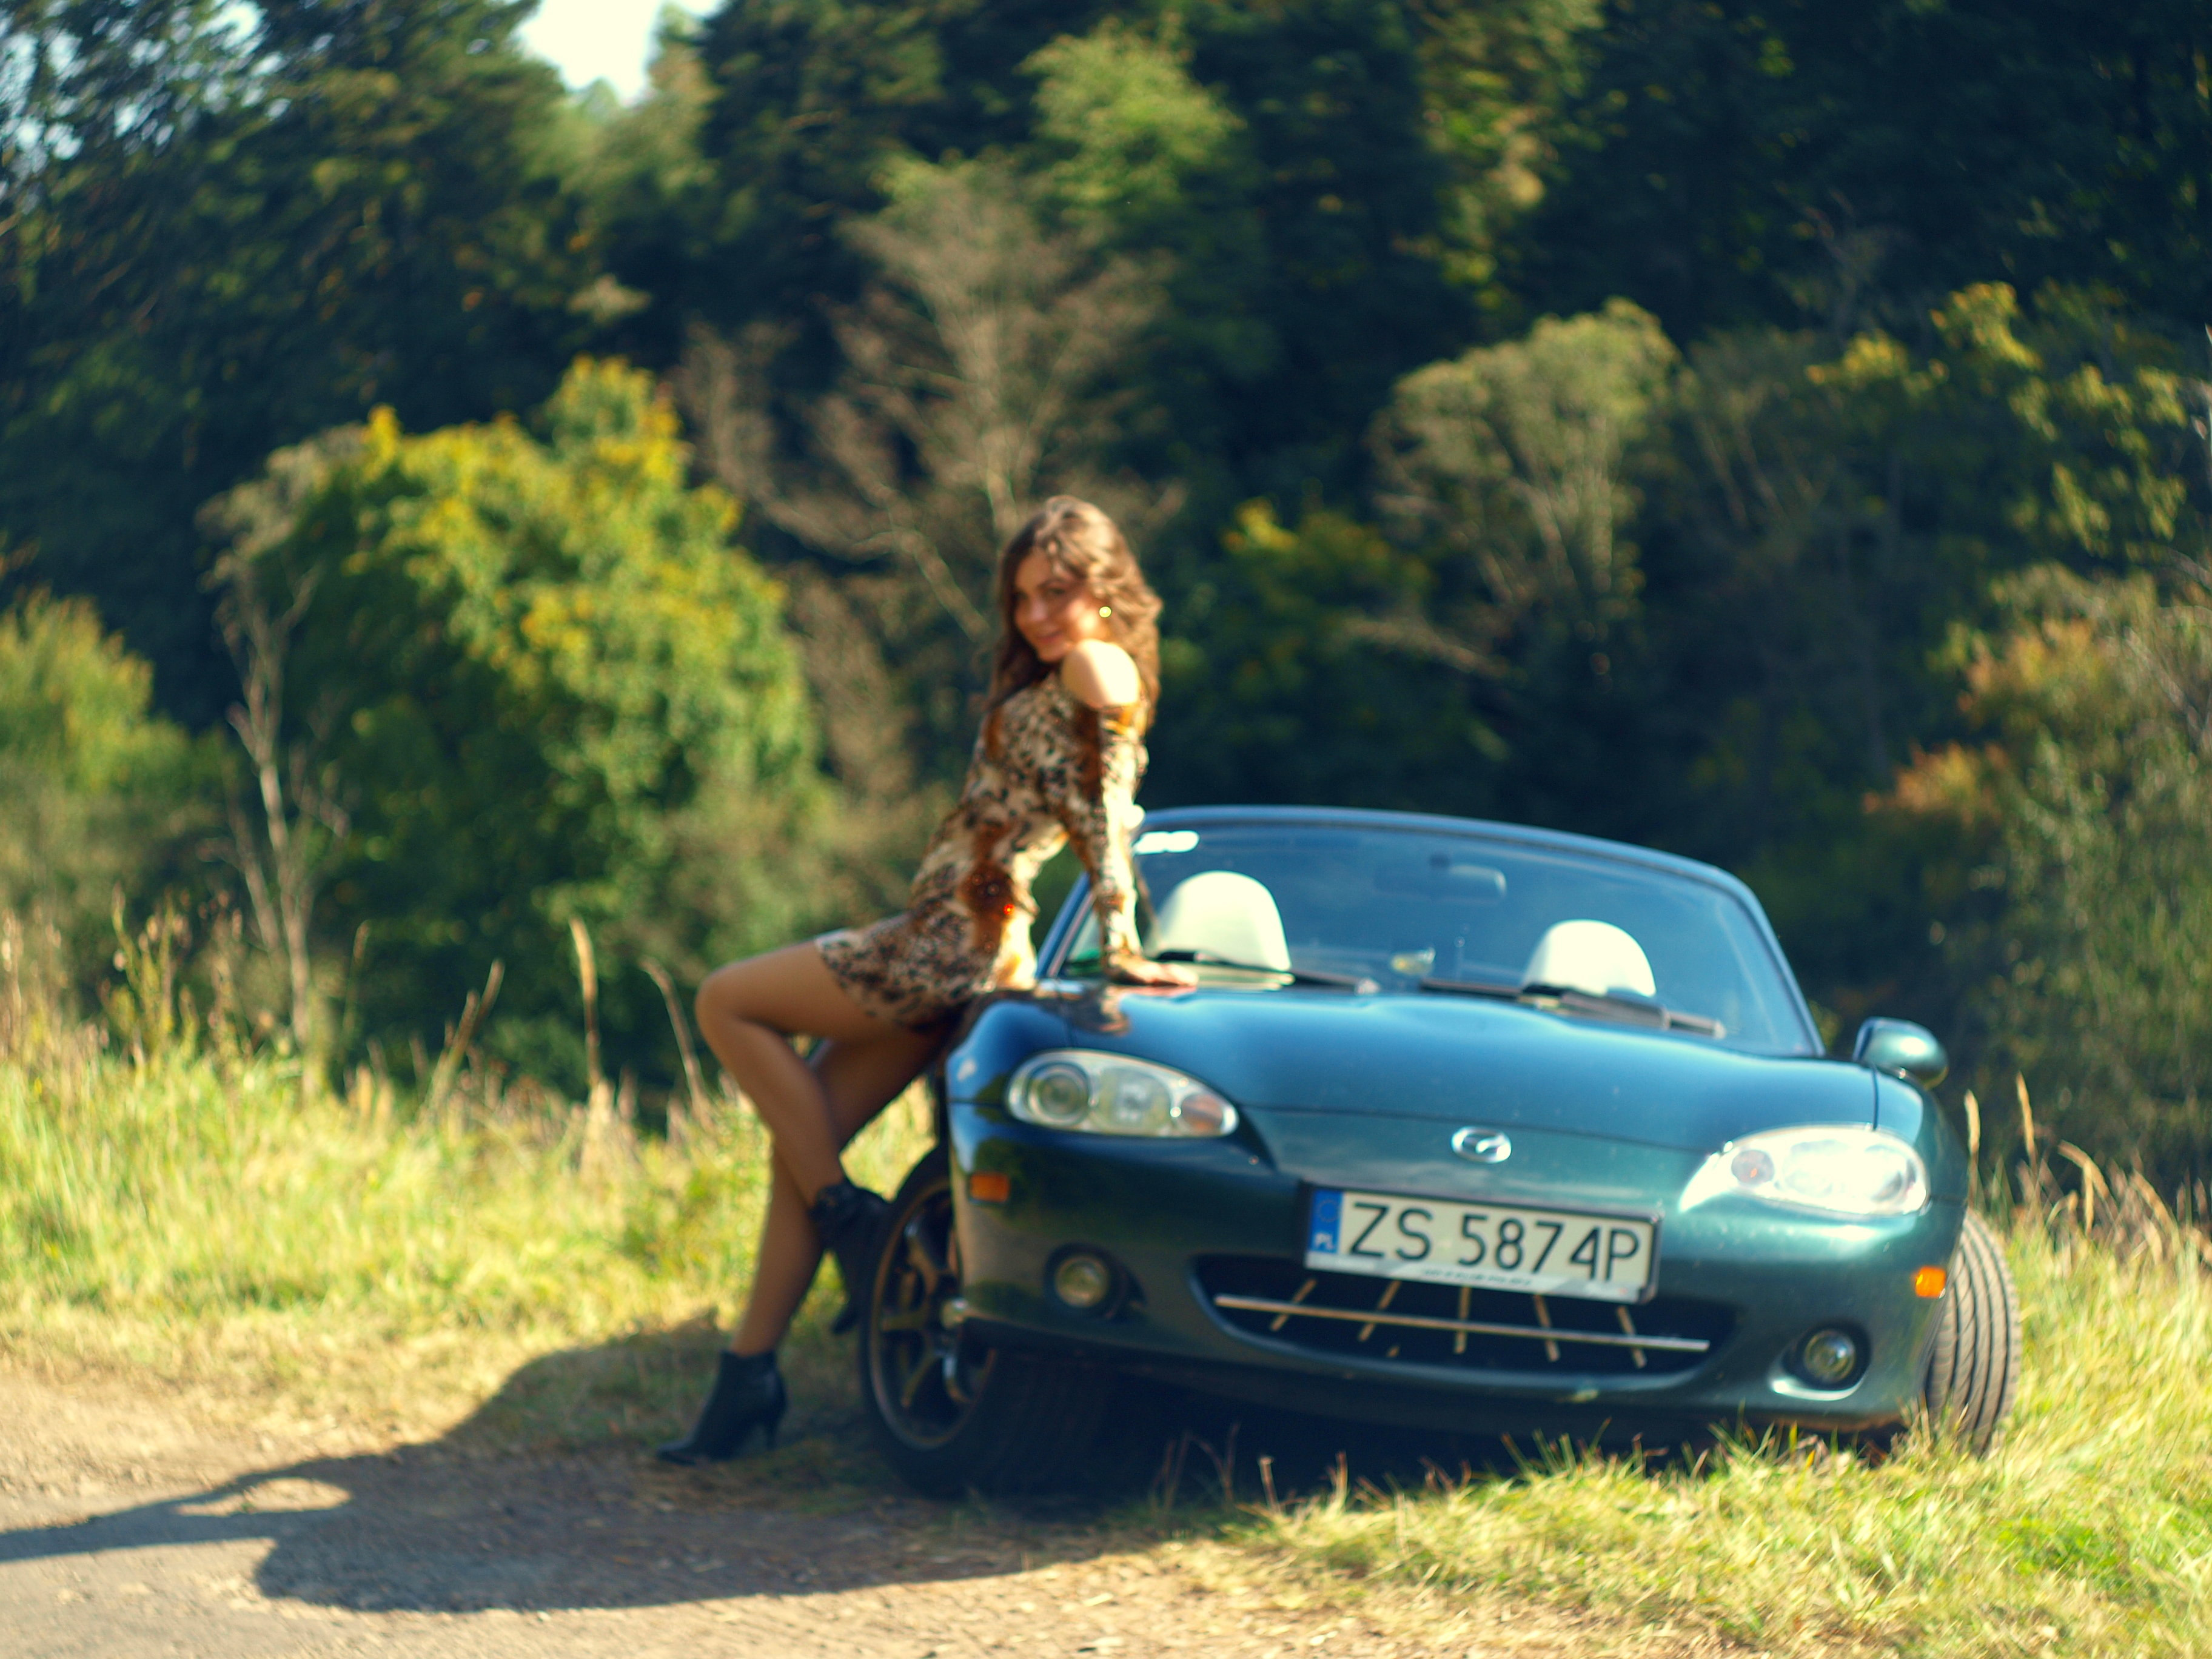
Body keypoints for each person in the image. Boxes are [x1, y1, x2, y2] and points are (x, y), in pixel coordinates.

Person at [657, 496, 1194, 1464]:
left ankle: (851, 1226)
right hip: (968, 938)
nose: (1035, 615)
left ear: (1106, 588)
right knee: (803, 1140)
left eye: (1057, 592)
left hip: (950, 943)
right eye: (1022, 597)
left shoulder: (1095, 664)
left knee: (725, 1000)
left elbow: (1105, 812)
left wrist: (1119, 942)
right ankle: (748, 1377)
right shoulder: (1079, 667)